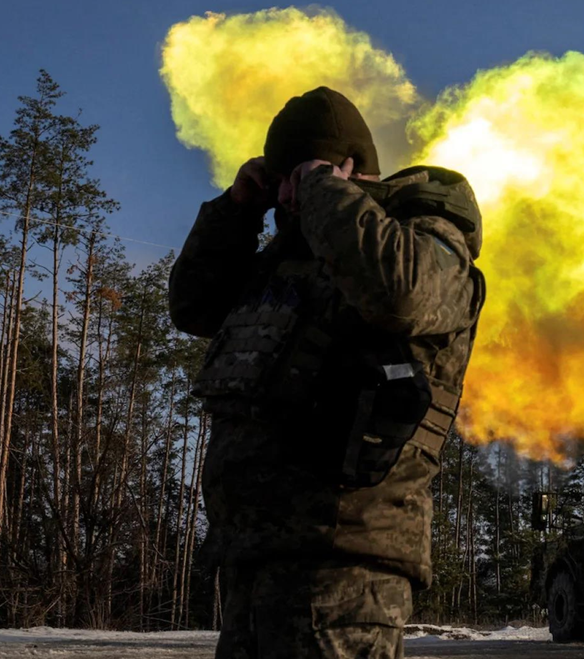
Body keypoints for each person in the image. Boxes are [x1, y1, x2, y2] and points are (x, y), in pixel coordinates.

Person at [169, 87, 485, 658]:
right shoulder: (291, 259)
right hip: (253, 559)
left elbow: (404, 294)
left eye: (303, 175)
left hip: (345, 572)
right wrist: (238, 210)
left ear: (348, 172)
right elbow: (193, 306)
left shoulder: (423, 238)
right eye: (283, 180)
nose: (290, 195)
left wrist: (323, 190)